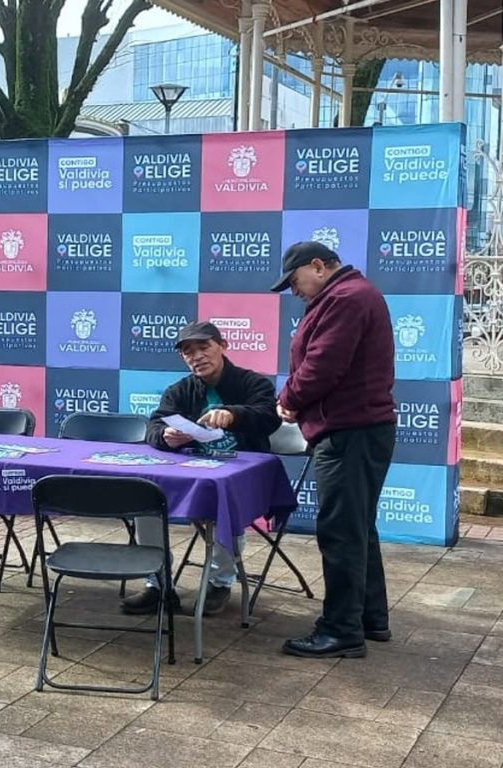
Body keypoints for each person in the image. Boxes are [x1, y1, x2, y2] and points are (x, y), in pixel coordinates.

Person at [272, 241, 396, 659]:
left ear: (318, 266)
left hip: (349, 432)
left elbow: (323, 364)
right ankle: (370, 618)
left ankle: (341, 630)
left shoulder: (345, 298)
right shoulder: (350, 295)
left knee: (342, 532)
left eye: (294, 282)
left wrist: (289, 398)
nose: (294, 291)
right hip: (359, 429)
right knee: (358, 527)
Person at [123, 321, 281, 617]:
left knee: (226, 502)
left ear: (223, 346)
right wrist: (165, 436)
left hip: (239, 473)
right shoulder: (179, 390)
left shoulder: (253, 383)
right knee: (146, 498)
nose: (197, 356)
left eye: (204, 347)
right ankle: (158, 584)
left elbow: (269, 417)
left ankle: (220, 582)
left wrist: (233, 415)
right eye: (188, 351)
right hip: (193, 473)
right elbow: (155, 425)